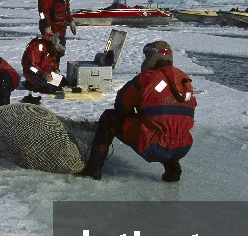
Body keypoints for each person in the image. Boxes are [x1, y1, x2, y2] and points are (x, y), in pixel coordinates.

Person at [80, 40, 196, 182]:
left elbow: (121, 105)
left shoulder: (146, 79)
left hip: (154, 145)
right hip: (183, 146)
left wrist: (139, 109)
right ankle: (173, 171)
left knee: (109, 118)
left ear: (151, 58)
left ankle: (93, 171)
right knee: (170, 124)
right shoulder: (184, 80)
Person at [37, 0, 76, 68]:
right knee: (51, 51)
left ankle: (55, 69)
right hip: (51, 29)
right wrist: (46, 26)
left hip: (61, 29)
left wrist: (71, 21)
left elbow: (67, 10)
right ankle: (47, 71)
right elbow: (42, 12)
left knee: (59, 51)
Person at [20, 34, 68, 101]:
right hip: (33, 73)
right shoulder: (37, 46)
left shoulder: (52, 50)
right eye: (56, 49)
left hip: (46, 73)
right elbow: (31, 66)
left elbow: (53, 62)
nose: (56, 52)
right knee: (50, 89)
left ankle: (36, 84)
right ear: (53, 45)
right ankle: (30, 84)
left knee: (65, 83)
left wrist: (55, 69)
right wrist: (44, 76)